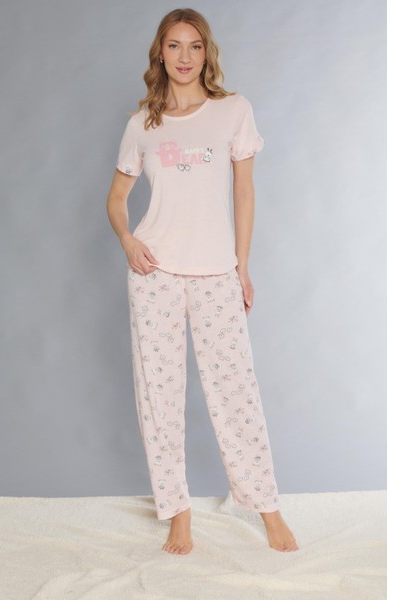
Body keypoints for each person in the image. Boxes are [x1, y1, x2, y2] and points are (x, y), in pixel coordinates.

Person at [106, 7, 298, 555]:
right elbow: (116, 199)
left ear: (206, 52)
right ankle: (178, 513)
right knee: (159, 396)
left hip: (215, 272)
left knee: (236, 393)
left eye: (194, 46)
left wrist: (242, 267)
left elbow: (244, 192)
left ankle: (267, 508)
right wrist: (128, 241)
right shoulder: (142, 124)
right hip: (155, 274)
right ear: (160, 53)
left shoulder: (233, 112)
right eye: (174, 45)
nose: (184, 56)